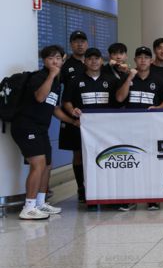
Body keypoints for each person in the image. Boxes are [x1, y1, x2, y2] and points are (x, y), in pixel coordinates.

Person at [12, 45, 76, 219]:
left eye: (58, 58)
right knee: (38, 164)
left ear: (63, 60)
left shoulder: (56, 83)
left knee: (47, 165)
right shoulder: (39, 77)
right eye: (50, 58)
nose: (55, 62)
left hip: (41, 128)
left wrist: (72, 122)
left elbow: (54, 108)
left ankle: (40, 203)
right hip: (26, 126)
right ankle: (28, 207)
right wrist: (52, 75)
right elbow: (40, 97)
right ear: (44, 61)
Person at [115, 46, 163, 211]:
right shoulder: (126, 77)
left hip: (151, 128)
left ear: (151, 60)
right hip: (130, 128)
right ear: (135, 60)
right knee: (131, 163)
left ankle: (152, 198)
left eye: (146, 57)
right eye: (140, 57)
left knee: (150, 163)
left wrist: (158, 108)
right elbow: (120, 98)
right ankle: (130, 198)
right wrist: (129, 78)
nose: (143, 60)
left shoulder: (159, 80)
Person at [62, 47, 119, 208]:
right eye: (90, 58)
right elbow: (66, 101)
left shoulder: (111, 80)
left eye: (97, 58)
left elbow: (119, 101)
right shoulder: (75, 80)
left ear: (101, 61)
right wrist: (72, 111)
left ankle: (106, 191)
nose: (94, 61)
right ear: (85, 61)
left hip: (105, 129)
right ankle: (82, 188)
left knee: (105, 157)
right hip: (82, 127)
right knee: (81, 157)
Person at [58, 30, 87, 202]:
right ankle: (81, 187)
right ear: (71, 44)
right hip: (74, 116)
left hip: (93, 116)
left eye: (82, 41)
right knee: (78, 153)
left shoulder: (93, 62)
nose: (80, 44)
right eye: (76, 41)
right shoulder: (65, 66)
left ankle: (94, 185)